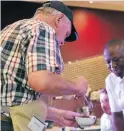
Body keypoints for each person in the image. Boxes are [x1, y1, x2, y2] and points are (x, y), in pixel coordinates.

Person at [1, 1, 88, 131]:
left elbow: (13, 99)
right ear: (59, 20)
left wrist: (58, 115)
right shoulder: (43, 28)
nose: (63, 42)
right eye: (66, 34)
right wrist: (77, 86)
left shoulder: (7, 30)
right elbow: (42, 81)